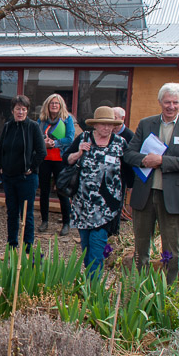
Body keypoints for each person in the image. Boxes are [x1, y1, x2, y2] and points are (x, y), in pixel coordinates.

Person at [123, 83, 179, 283]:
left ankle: (168, 289)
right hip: (145, 194)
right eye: (167, 102)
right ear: (160, 102)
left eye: (175, 102)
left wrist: (162, 161)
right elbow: (129, 154)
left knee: (172, 248)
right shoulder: (146, 124)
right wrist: (144, 159)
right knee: (141, 246)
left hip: (172, 196)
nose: (171, 106)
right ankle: (140, 285)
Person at [63, 106, 127, 276]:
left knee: (97, 248)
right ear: (95, 125)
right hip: (83, 204)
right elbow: (66, 160)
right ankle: (90, 282)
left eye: (110, 125)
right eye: (103, 124)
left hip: (106, 206)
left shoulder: (120, 143)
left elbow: (128, 171)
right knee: (86, 248)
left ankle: (93, 289)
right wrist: (79, 152)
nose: (106, 128)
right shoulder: (84, 138)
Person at [0, 95, 45, 251]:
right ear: (12, 110)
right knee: (11, 212)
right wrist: (1, 166)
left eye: (23, 109)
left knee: (26, 214)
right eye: (18, 109)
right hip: (9, 177)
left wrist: (31, 167)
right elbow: (1, 148)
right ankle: (12, 244)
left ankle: (27, 247)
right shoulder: (7, 126)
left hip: (26, 178)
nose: (20, 112)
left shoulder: (32, 127)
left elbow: (41, 151)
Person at [36, 93, 75, 236]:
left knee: (62, 191)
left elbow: (70, 138)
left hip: (60, 159)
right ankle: (44, 221)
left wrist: (55, 143)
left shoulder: (67, 119)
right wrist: (44, 143)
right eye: (51, 103)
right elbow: (36, 136)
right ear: (47, 105)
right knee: (44, 191)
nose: (54, 105)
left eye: (56, 103)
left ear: (61, 106)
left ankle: (66, 222)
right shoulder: (41, 121)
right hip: (45, 159)